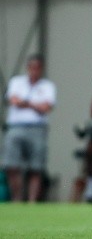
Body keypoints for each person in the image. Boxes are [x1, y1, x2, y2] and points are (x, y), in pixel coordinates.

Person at [1, 55, 56, 202]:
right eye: (32, 67)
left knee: (36, 167)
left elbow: (46, 107)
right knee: (12, 165)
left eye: (37, 68)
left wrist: (25, 102)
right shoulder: (16, 82)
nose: (34, 71)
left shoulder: (47, 86)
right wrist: (34, 104)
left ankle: (32, 201)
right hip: (16, 127)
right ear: (27, 68)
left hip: (37, 129)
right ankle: (17, 199)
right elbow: (13, 100)